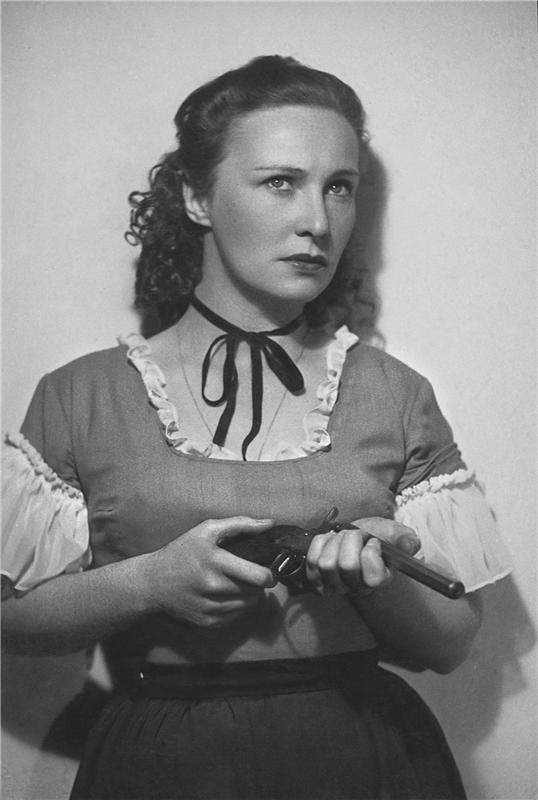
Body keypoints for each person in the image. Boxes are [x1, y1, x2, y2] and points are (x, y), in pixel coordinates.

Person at [2, 55, 512, 800]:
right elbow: (12, 622)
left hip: (365, 760)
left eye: (340, 187)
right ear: (196, 196)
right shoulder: (81, 395)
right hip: (163, 764)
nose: (318, 222)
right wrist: (148, 582)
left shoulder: (395, 392)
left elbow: (451, 643)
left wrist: (371, 578)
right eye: (280, 182)